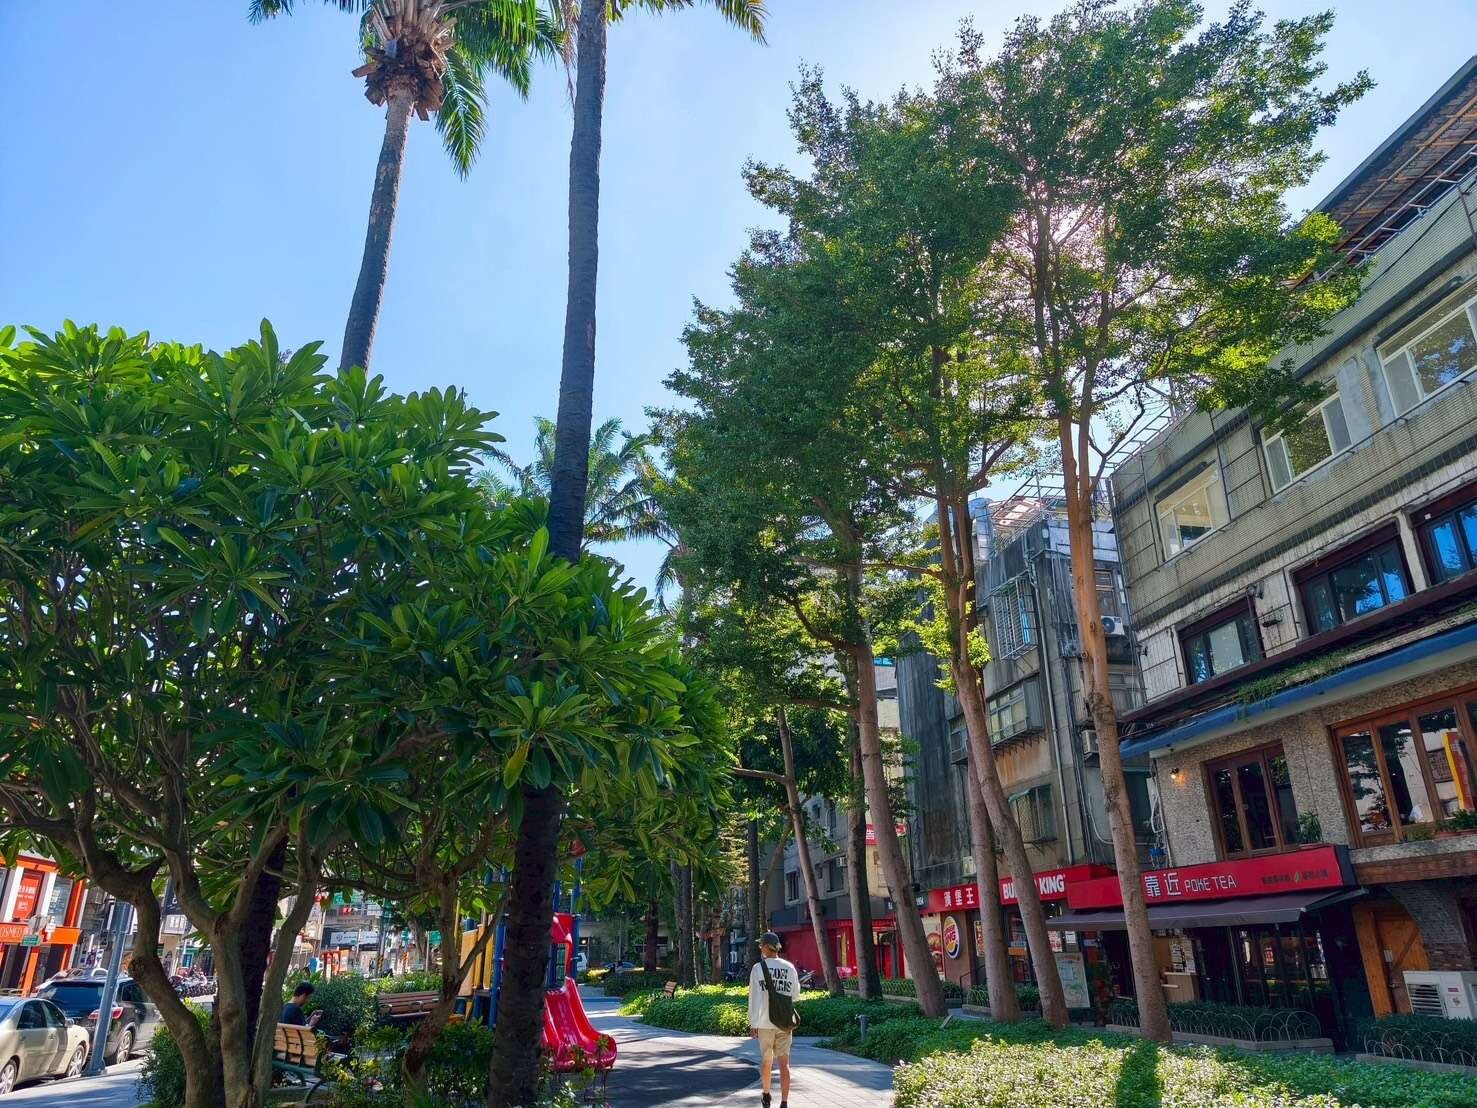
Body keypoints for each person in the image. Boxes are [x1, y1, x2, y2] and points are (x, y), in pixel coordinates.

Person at [748, 932, 799, 1108]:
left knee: (766, 1061)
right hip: (784, 1022)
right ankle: (784, 1102)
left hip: (764, 1022)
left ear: (766, 947)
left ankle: (766, 1094)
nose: (759, 948)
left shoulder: (758, 969)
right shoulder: (789, 967)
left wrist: (753, 1023)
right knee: (784, 1063)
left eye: (760, 945)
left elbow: (753, 998)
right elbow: (795, 996)